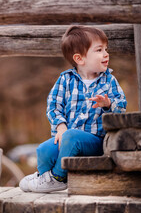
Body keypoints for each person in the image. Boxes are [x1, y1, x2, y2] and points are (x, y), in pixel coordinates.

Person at [19, 25, 127, 193]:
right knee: (43, 150)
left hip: (95, 141)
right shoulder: (65, 80)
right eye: (99, 50)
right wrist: (60, 127)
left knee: (72, 136)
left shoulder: (109, 81)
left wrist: (108, 105)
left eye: (106, 49)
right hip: (67, 138)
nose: (106, 54)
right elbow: (53, 105)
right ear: (80, 59)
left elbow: (121, 108)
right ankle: (43, 176)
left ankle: (58, 178)